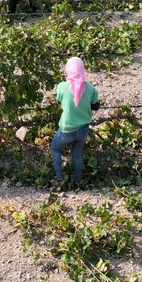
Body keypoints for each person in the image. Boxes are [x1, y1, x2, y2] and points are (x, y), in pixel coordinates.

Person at [51, 57, 99, 186]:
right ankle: (77, 180)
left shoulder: (62, 87)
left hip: (66, 130)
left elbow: (59, 101)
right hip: (83, 129)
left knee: (55, 148)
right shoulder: (90, 88)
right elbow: (96, 106)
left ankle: (60, 178)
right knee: (76, 153)